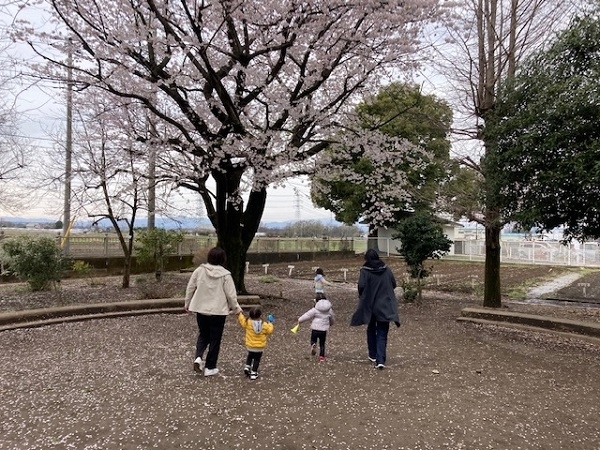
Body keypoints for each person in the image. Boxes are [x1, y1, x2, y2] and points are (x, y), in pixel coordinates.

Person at [185, 247, 242, 377]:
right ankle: (210, 367)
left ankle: (198, 357)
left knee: (203, 334)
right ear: (223, 259)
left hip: (201, 309)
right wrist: (237, 309)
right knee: (215, 339)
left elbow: (190, 287)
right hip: (218, 311)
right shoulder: (225, 275)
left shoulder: (199, 270)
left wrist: (187, 303)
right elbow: (231, 295)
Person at [350, 249, 400, 370]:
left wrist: (363, 295)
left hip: (370, 305)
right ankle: (380, 360)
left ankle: (373, 354)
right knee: (382, 332)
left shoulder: (364, 271)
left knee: (371, 328)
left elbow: (361, 286)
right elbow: (393, 283)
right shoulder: (386, 269)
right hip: (385, 306)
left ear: (366, 259)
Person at [237, 307, 274, 380]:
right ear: (260, 315)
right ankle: (254, 372)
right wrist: (270, 323)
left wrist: (240, 314)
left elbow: (242, 321)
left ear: (250, 315)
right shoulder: (264, 325)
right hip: (259, 347)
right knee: (257, 359)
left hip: (250, 345)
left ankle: (247, 367)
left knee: (250, 355)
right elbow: (269, 331)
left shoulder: (248, 322)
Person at [297, 293, 335, 361]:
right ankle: (322, 357)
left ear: (316, 301)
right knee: (322, 343)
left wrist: (300, 320)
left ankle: (313, 344)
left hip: (315, 329)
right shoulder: (329, 310)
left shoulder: (315, 309)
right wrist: (331, 324)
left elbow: (307, 315)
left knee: (313, 339)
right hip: (323, 330)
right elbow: (332, 318)